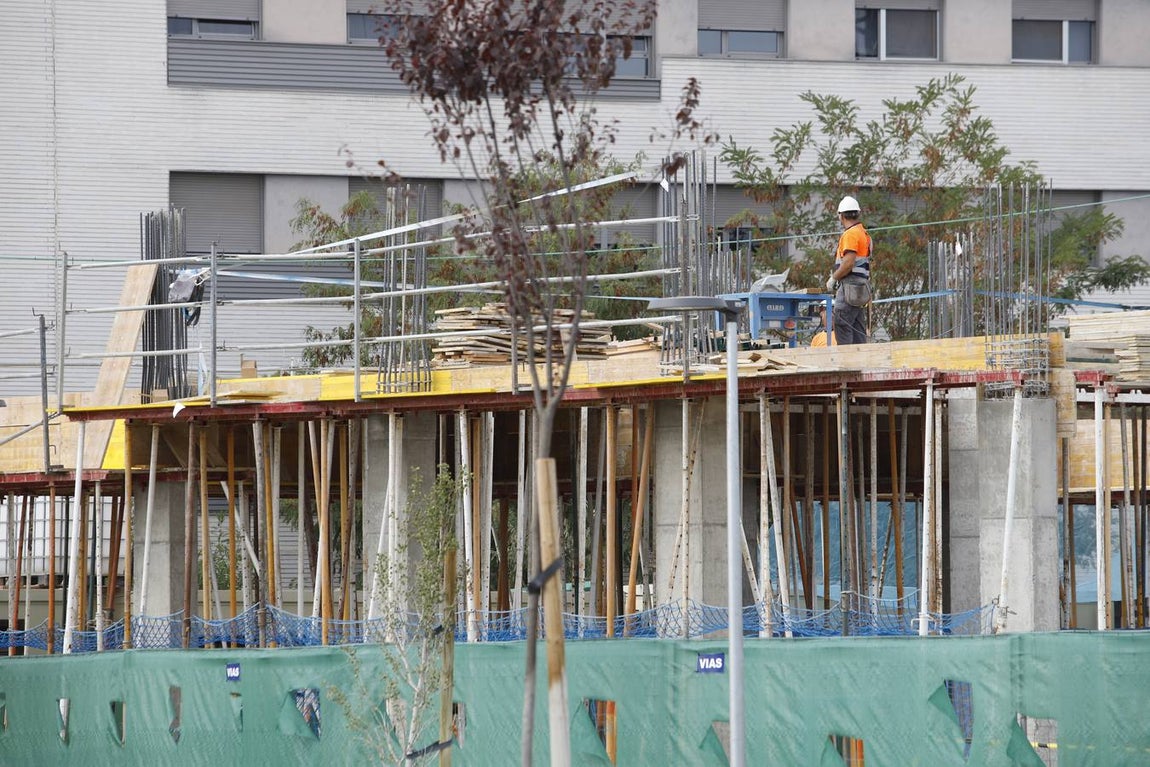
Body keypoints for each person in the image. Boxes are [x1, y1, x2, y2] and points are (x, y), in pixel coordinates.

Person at [824, 196, 872, 345]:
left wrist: (834, 278)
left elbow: (848, 263)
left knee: (842, 323)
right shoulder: (864, 234)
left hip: (849, 287)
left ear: (841, 215)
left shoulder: (851, 234)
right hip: (861, 288)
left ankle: (846, 358)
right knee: (857, 328)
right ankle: (860, 357)